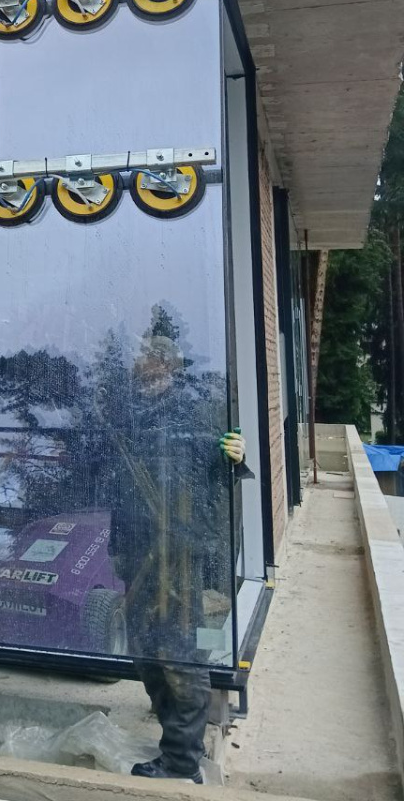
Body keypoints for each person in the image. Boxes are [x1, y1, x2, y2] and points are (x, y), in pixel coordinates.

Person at [111, 328, 252, 784]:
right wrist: (117, 547)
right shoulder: (130, 413)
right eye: (142, 355)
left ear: (170, 366)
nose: (144, 362)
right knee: (143, 650)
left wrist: (233, 458)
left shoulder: (190, 411)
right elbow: (114, 481)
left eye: (154, 356)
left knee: (178, 655)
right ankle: (176, 737)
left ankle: (181, 760)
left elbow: (215, 480)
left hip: (177, 555)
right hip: (139, 549)